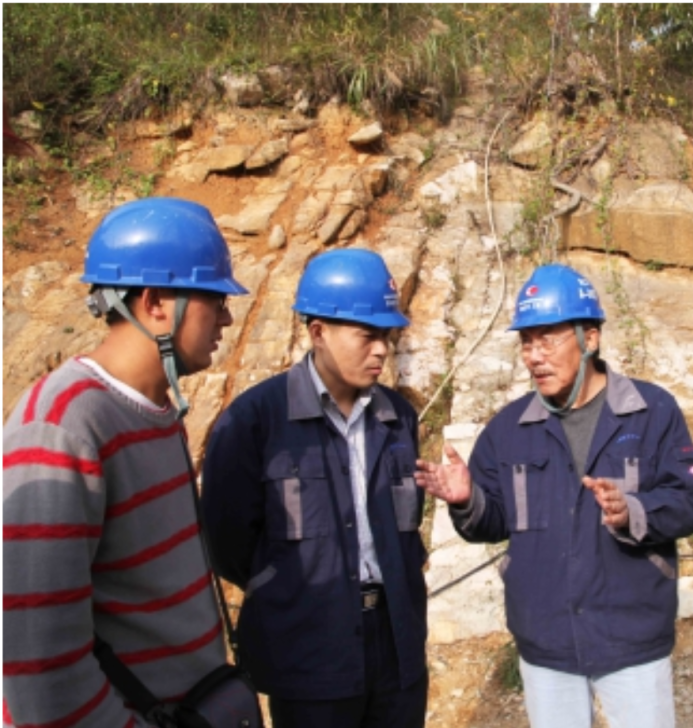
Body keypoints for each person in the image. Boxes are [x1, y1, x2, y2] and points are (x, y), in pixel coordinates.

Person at [415, 263, 693, 728]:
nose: (534, 356)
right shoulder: (508, 430)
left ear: (590, 338)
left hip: (631, 635)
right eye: (526, 342)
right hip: (546, 640)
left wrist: (633, 511)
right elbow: (491, 522)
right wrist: (467, 499)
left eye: (548, 340)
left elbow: (691, 501)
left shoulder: (651, 411)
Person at [3, 198, 248, 726]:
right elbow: (40, 674)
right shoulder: (62, 428)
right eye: (214, 299)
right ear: (156, 302)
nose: (227, 317)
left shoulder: (156, 409)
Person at [201, 248, 428, 728]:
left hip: (398, 650)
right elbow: (228, 546)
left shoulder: (398, 418)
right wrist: (289, 588)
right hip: (307, 653)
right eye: (367, 335)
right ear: (319, 332)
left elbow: (406, 533)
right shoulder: (255, 421)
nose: (382, 350)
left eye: (386, 336)